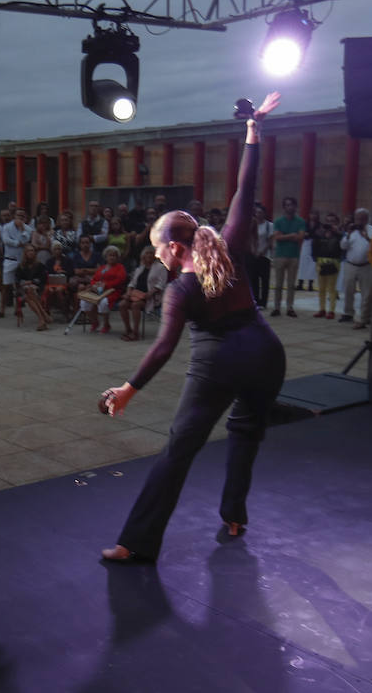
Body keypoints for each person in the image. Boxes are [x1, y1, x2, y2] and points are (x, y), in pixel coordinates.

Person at [100, 91, 285, 562]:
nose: (155, 253)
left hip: (220, 361)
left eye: (157, 246)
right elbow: (246, 189)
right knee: (245, 434)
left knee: (179, 451)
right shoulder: (231, 245)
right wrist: (252, 132)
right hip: (265, 353)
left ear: (173, 248)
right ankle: (234, 514)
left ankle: (135, 544)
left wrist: (128, 389)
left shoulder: (181, 290)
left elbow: (164, 348)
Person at [120, 245, 167, 341]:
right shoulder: (140, 268)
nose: (149, 255)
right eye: (147, 253)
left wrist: (150, 293)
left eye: (151, 253)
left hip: (150, 297)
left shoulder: (160, 267)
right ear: (143, 256)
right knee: (122, 304)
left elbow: (161, 284)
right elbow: (132, 282)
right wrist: (129, 291)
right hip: (136, 294)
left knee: (135, 305)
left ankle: (135, 332)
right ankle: (128, 329)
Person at [337, 210, 372, 324]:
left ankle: (365, 316)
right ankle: (348, 313)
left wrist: (365, 235)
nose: (359, 221)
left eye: (362, 218)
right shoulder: (351, 230)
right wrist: (348, 234)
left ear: (367, 219)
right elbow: (343, 246)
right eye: (357, 218)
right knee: (348, 291)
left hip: (367, 266)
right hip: (351, 265)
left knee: (367, 293)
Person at [270, 196, 306, 317]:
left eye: (291, 204)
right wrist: (292, 235)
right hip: (280, 255)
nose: (289, 207)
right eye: (287, 205)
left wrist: (284, 236)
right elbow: (277, 237)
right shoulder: (279, 221)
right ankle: (277, 307)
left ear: (295, 207)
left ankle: (290, 307)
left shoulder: (300, 221)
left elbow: (300, 237)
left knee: (291, 284)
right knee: (278, 284)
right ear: (284, 207)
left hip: (294, 255)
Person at [78, 246, 127, 334]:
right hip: (98, 290)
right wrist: (94, 285)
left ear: (117, 257)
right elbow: (94, 279)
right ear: (106, 257)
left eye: (114, 255)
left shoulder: (120, 267)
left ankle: (106, 324)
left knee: (103, 302)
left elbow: (121, 279)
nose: (112, 257)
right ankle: (95, 322)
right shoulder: (102, 267)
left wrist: (106, 285)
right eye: (110, 255)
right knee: (84, 302)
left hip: (112, 291)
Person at [309, 212, 343, 319]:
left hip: (334, 262)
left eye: (332, 221)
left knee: (332, 289)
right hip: (321, 262)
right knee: (321, 288)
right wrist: (315, 258)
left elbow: (343, 246)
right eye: (328, 221)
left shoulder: (339, 234)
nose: (330, 223)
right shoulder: (319, 233)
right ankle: (322, 309)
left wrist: (337, 233)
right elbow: (314, 245)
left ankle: (331, 311)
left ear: (337, 222)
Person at [14, 244, 51, 330]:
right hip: (23, 290)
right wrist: (26, 284)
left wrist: (32, 282)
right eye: (28, 251)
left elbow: (43, 278)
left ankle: (42, 319)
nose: (31, 252)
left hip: (37, 289)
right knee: (29, 291)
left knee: (29, 293)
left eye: (32, 250)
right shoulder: (20, 267)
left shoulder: (40, 265)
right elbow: (17, 280)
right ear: (25, 253)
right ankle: (43, 316)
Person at [250, 203, 272, 308]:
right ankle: (256, 300)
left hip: (264, 256)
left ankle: (263, 302)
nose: (258, 214)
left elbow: (270, 241)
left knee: (264, 280)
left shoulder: (269, 225)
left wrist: (262, 251)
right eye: (257, 212)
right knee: (254, 279)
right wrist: (253, 251)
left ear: (264, 213)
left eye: (260, 212)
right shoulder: (252, 224)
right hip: (253, 254)